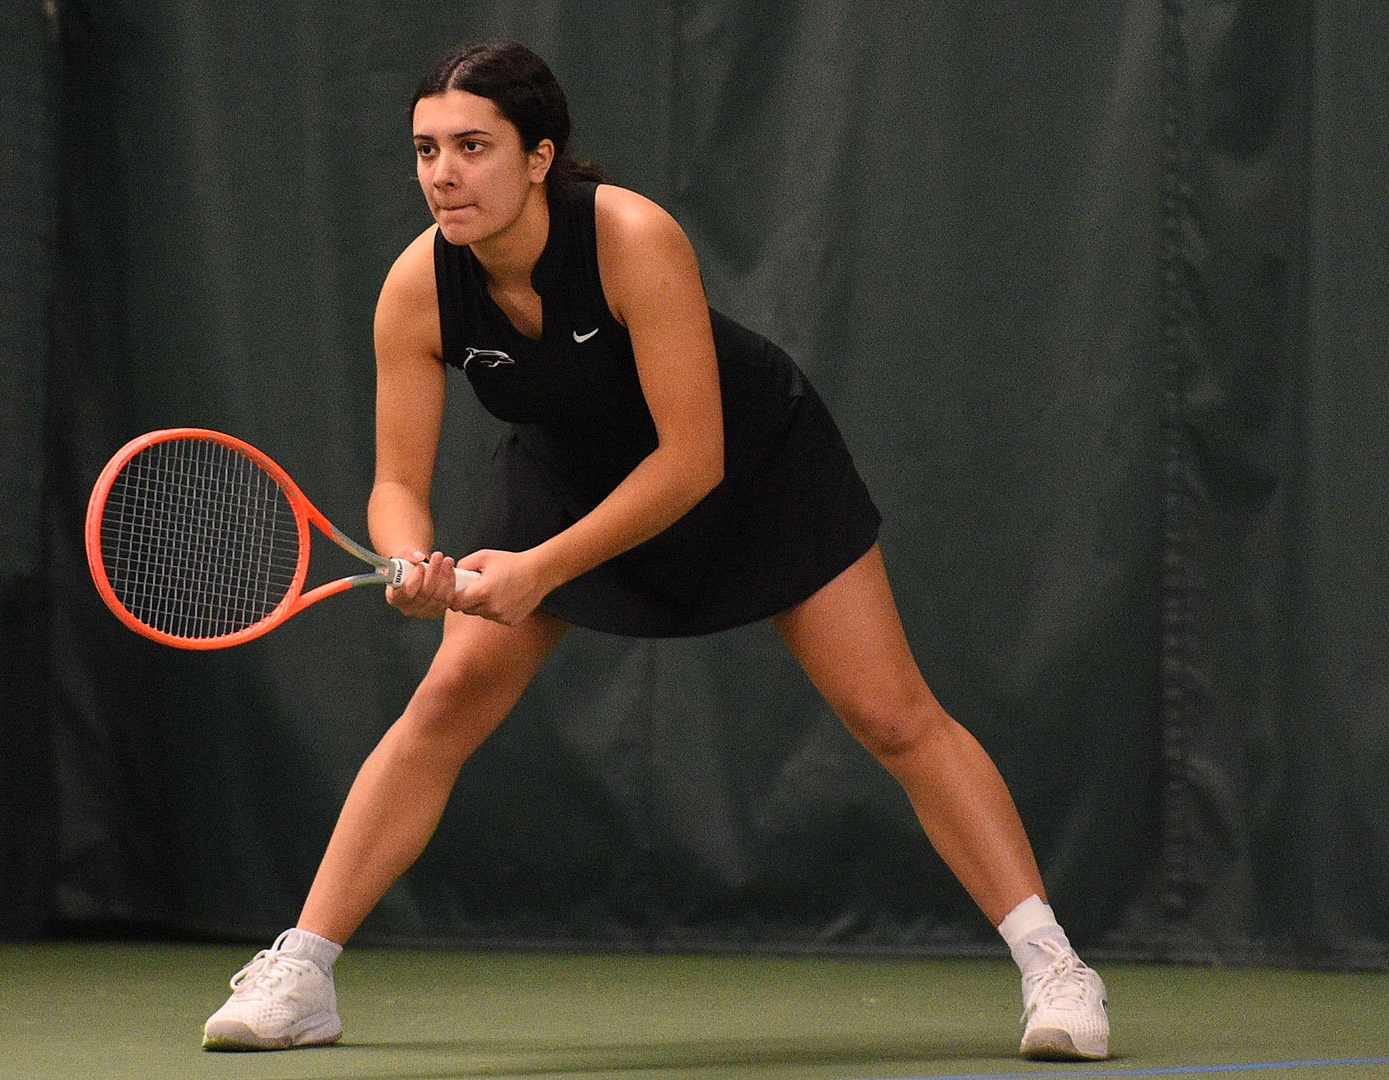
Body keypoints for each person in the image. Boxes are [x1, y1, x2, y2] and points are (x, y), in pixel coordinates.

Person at [202, 39, 1111, 1062]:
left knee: (892, 713)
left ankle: (1056, 971)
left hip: (752, 463)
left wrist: (542, 567)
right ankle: (304, 972)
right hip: (565, 474)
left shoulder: (633, 237)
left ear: (540, 156)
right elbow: (397, 483)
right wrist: (410, 562)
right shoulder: (418, 285)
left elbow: (692, 459)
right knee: (447, 697)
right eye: (424, 150)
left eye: (472, 146)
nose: (443, 173)